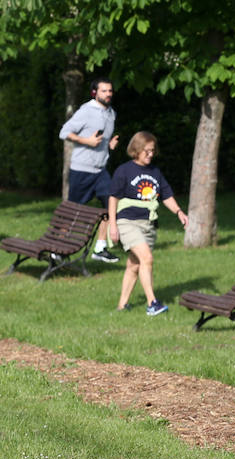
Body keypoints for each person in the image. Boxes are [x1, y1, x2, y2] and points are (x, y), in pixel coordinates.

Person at [106, 131, 189, 316]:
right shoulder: (124, 171)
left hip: (148, 224)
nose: (151, 154)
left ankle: (121, 306)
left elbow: (166, 195)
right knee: (147, 258)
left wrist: (179, 212)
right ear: (136, 150)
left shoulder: (155, 172)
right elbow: (113, 199)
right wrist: (113, 225)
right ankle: (152, 303)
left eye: (152, 151)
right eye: (147, 151)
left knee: (135, 265)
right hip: (127, 222)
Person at [59, 77, 120, 263]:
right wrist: (87, 142)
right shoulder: (86, 111)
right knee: (73, 212)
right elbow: (64, 132)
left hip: (100, 170)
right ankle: (58, 247)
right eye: (104, 91)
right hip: (82, 170)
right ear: (95, 93)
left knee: (110, 205)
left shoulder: (111, 113)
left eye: (110, 91)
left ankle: (100, 249)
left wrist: (109, 144)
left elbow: (101, 137)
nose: (108, 94)